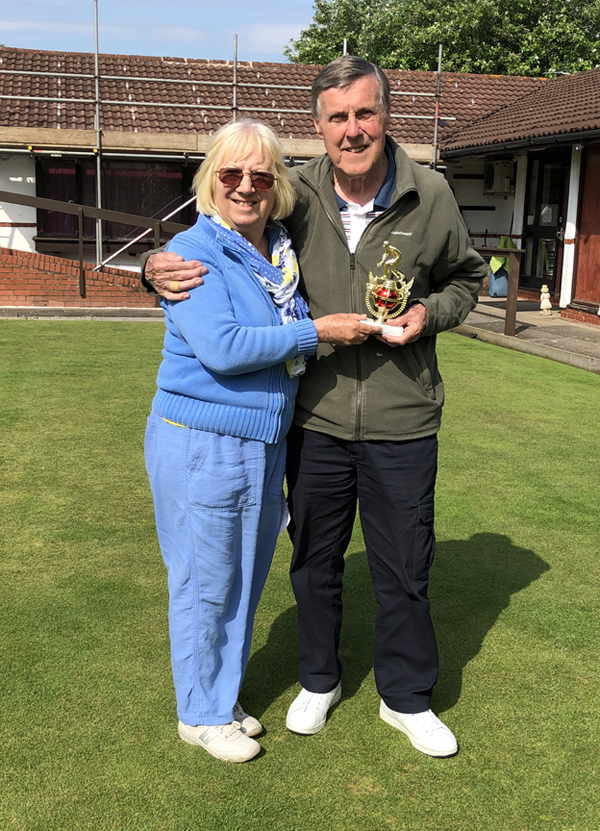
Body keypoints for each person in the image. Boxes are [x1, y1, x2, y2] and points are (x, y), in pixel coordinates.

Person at [141, 57, 487, 758]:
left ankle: (406, 698)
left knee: (403, 564)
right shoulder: (294, 191)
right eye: (337, 117)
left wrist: (429, 311)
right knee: (313, 561)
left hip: (402, 415)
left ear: (388, 115)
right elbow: (219, 246)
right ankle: (319, 679)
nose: (352, 129)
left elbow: (468, 277)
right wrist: (155, 269)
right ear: (319, 125)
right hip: (316, 416)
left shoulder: (432, 193)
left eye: (365, 113)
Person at [144, 118, 373, 764]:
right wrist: (316, 332)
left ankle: (221, 695)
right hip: (201, 440)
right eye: (231, 174)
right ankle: (200, 713)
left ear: (276, 188)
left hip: (259, 444)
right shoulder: (194, 249)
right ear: (210, 179)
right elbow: (222, 347)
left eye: (261, 176)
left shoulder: (276, 250)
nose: (246, 186)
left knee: (241, 581)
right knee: (203, 582)